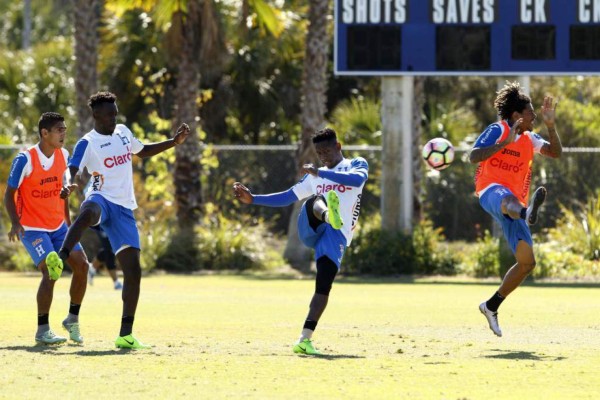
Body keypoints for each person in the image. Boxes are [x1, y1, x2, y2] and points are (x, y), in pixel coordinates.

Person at [45, 91, 190, 349]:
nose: (114, 117)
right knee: (88, 213)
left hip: (124, 208)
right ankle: (61, 256)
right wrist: (68, 185)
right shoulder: (87, 143)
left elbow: (143, 151)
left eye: (115, 112)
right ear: (96, 115)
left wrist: (173, 142)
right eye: (109, 114)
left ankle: (125, 335)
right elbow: (72, 169)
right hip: (100, 196)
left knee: (134, 271)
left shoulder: (123, 131)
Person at [233, 127, 368, 355]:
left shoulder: (355, 164)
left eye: (326, 150)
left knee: (323, 286)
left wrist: (321, 174)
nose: (323, 156)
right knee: (314, 199)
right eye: (319, 152)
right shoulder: (314, 176)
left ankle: (304, 339)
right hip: (312, 225)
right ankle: (327, 214)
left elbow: (357, 181)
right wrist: (253, 199)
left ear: (338, 146)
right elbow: (287, 196)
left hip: (338, 235)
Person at [470, 82, 562, 337]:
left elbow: (555, 152)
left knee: (527, 263)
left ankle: (491, 306)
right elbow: (473, 156)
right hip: (490, 191)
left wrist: (552, 126)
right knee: (509, 200)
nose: (535, 117)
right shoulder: (497, 130)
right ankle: (526, 212)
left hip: (517, 204)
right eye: (531, 112)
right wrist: (505, 142)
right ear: (516, 116)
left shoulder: (530, 138)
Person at [3, 112, 90, 345]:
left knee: (82, 266)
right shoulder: (25, 159)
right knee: (51, 269)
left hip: (58, 225)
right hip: (32, 228)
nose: (64, 133)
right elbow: (9, 194)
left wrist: (69, 224)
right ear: (45, 133)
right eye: (59, 129)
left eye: (65, 129)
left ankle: (72, 319)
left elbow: (62, 192)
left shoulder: (64, 155)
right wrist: (15, 222)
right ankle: (43, 330)